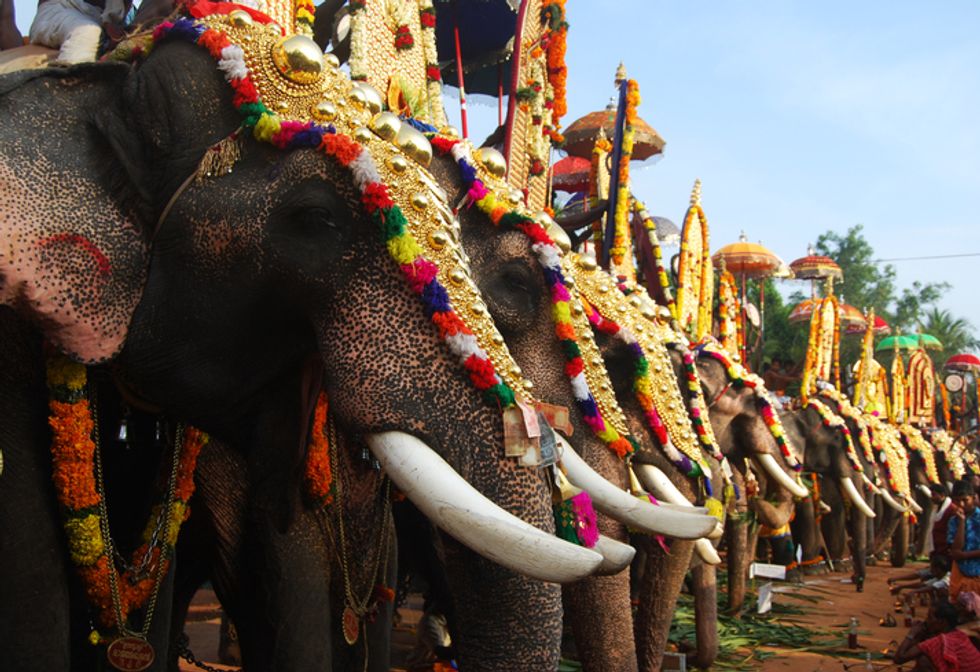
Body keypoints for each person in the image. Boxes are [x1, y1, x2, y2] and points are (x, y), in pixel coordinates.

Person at [893, 601, 980, 671]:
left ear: (941, 622)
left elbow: (899, 658)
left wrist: (911, 634)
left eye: (930, 618)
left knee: (924, 662)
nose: (927, 621)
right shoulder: (959, 635)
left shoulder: (939, 641)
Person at [947, 479, 980, 602]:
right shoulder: (953, 521)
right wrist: (961, 522)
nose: (961, 504)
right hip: (961, 573)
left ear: (973, 498)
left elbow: (959, 554)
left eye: (965, 500)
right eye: (956, 501)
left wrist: (964, 555)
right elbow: (955, 552)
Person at [931, 483, 955, 556]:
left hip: (946, 549)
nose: (932, 497)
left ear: (942, 495)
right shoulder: (936, 508)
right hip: (936, 548)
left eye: (934, 495)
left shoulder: (952, 509)